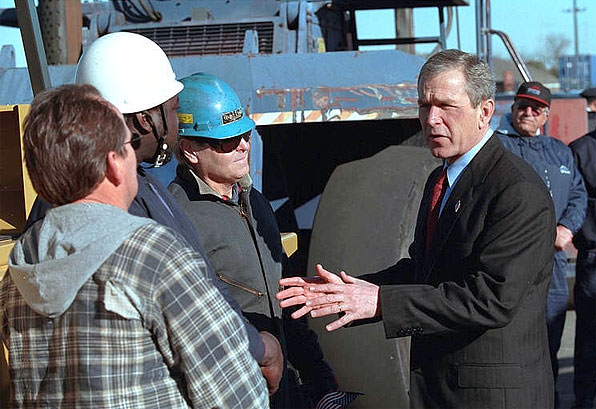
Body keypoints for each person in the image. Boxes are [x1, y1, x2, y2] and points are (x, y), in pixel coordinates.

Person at [276, 49, 557, 409]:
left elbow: (491, 299)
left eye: (446, 106)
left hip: (491, 395)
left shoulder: (516, 190)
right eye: (424, 105)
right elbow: (425, 270)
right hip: (442, 389)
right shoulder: (441, 179)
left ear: (484, 111)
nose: (432, 119)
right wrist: (350, 290)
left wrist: (379, 302)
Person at [23, 32, 284, 393]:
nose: (176, 123)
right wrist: (261, 349)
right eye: (174, 110)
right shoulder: (134, 207)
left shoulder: (44, 225)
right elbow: (194, 309)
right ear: (147, 119)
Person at [168, 73, 350, 409]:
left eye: (244, 134)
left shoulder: (256, 203)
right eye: (225, 141)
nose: (242, 145)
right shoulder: (177, 220)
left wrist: (320, 382)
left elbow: (288, 301)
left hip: (283, 393)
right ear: (190, 150)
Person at [495, 81, 587, 407]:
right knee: (514, 339)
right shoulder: (497, 148)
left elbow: (577, 193)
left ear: (545, 114)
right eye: (522, 106)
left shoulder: (558, 150)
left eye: (536, 109)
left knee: (551, 335)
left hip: (555, 264)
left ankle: (549, 400)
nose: (528, 113)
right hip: (514, 263)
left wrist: (566, 227)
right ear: (513, 108)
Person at [569, 126, 596, 409]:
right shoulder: (580, 150)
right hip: (594, 259)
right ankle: (584, 400)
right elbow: (573, 198)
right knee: (590, 335)